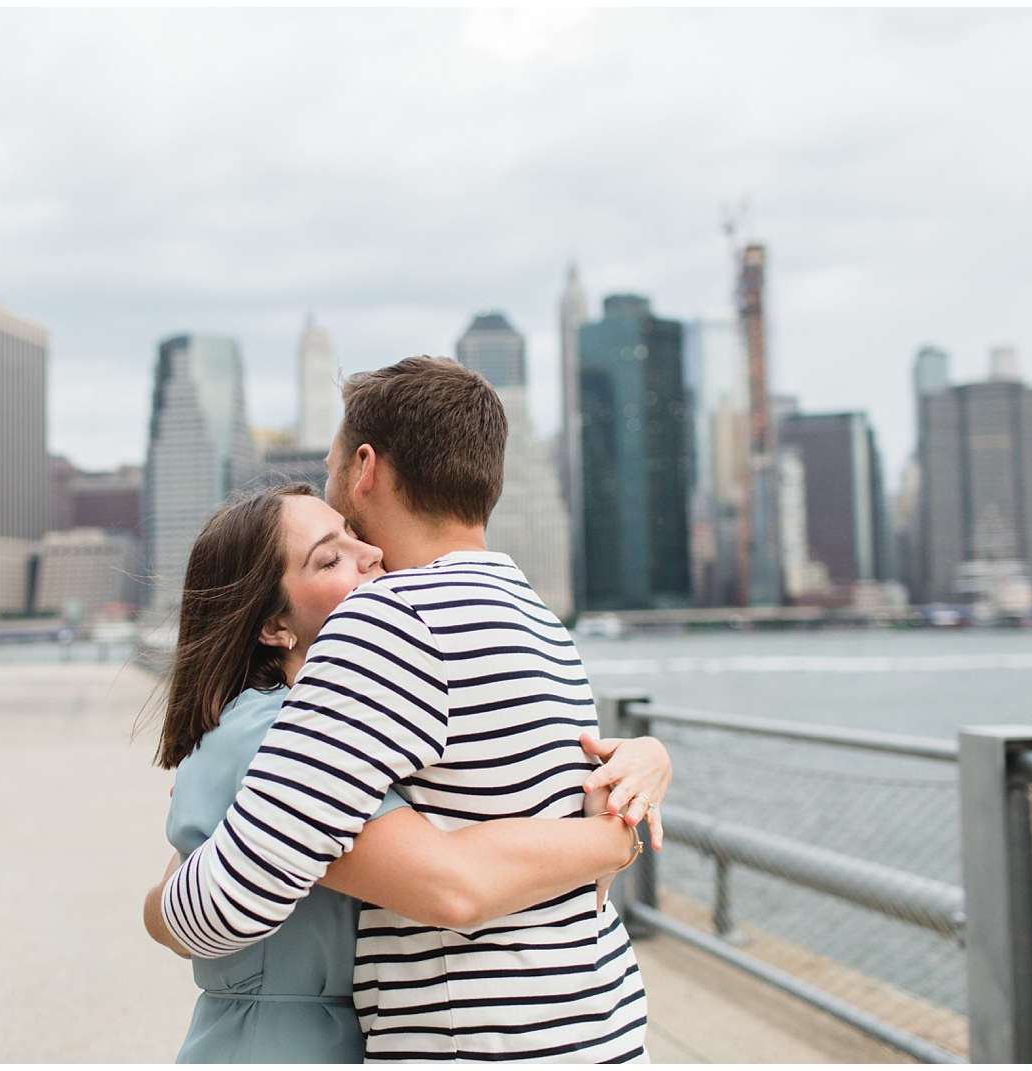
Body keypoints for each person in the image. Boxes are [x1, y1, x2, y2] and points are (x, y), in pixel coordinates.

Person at [159, 356, 672, 1062]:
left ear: (364, 466)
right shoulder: (537, 617)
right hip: (601, 1027)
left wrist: (169, 889)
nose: (340, 497)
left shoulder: (387, 619)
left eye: (336, 467)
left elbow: (230, 901)